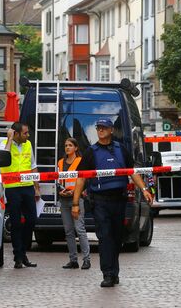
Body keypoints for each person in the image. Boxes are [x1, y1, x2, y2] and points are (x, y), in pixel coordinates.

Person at [71, 118, 154, 287]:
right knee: (105, 237)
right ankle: (107, 274)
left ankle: (114, 273)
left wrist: (144, 189)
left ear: (111, 130)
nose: (100, 130)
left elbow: (132, 172)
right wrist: (75, 203)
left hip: (119, 200)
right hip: (100, 201)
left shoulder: (120, 149)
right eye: (98, 128)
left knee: (117, 239)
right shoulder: (90, 152)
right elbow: (81, 178)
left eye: (103, 128)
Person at [0, 122, 40, 269]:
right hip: (12, 188)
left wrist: (37, 187)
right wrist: (10, 139)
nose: (28, 135)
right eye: (25, 133)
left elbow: (33, 166)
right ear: (15, 133)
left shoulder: (28, 144)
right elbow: (4, 159)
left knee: (31, 220)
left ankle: (23, 253)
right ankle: (19, 256)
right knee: (16, 223)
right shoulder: (4, 144)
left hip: (28, 187)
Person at [57, 138, 91, 270]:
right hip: (64, 198)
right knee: (69, 231)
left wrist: (76, 193)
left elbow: (84, 180)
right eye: (66, 145)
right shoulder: (60, 162)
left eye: (70, 145)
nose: (67, 148)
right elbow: (58, 179)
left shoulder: (80, 161)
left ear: (76, 148)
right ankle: (73, 260)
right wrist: (61, 190)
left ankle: (86, 260)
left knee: (80, 229)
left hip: (76, 199)